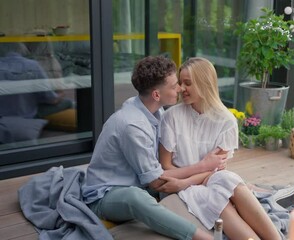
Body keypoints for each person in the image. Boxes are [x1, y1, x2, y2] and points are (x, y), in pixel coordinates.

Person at [82, 56, 225, 240]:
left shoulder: (155, 111)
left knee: (189, 185)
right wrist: (202, 167)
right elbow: (156, 182)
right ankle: (203, 237)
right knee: (138, 198)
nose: (180, 89)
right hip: (105, 196)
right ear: (157, 95)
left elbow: (160, 171)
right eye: (174, 86)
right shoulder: (133, 126)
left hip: (138, 182)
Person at [158, 57, 289, 239]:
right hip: (179, 186)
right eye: (180, 83)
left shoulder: (226, 121)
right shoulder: (171, 117)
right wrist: (189, 180)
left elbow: (215, 171)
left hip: (203, 180)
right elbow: (165, 167)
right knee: (218, 197)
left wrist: (189, 179)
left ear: (205, 83)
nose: (181, 88)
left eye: (187, 83)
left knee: (228, 179)